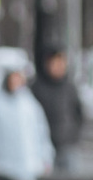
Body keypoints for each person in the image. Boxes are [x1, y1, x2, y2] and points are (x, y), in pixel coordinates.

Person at [0, 60, 54, 180]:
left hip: (29, 168)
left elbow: (41, 132)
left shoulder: (30, 105)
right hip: (3, 168)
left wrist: (46, 157)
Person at [34, 44, 85, 173]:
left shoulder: (69, 88)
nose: (59, 66)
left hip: (67, 146)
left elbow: (79, 114)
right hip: (43, 148)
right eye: (55, 62)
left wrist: (74, 136)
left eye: (61, 62)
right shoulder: (37, 88)